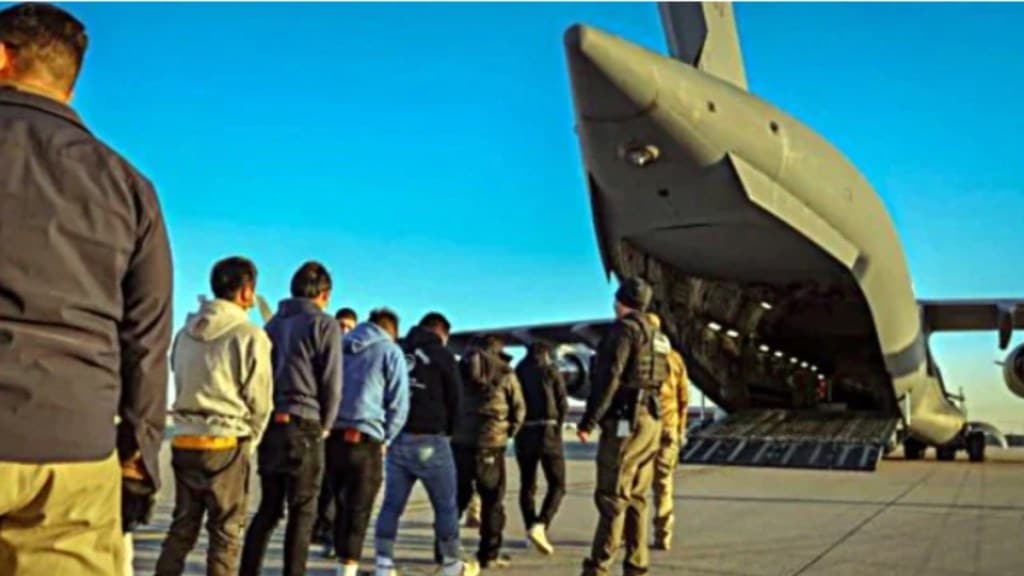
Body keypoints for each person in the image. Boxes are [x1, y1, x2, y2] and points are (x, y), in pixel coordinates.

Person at [0, 3, 172, 574]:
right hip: (74, 447)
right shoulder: (128, 186)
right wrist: (138, 459)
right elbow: (147, 336)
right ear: (70, 82)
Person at [155, 257, 273, 575]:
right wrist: (251, 440)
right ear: (246, 291)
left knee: (182, 529)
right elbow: (260, 400)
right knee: (225, 535)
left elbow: (177, 375)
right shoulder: (250, 335)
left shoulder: (184, 333)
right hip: (226, 441)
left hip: (185, 439)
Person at [240, 261, 343, 576]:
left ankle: (248, 571)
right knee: (303, 512)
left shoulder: (272, 326)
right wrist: (326, 426)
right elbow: (332, 382)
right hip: (305, 421)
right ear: (324, 294)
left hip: (273, 423)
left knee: (268, 510)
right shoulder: (324, 324)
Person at [373, 313, 479, 576]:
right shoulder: (443, 356)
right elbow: (456, 398)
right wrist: (451, 433)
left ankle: (383, 563)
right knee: (445, 506)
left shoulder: (396, 351)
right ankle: (451, 563)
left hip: (398, 439)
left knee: (391, 506)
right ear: (441, 333)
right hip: (432, 440)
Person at [577, 278, 668, 576]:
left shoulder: (624, 331)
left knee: (612, 495)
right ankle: (636, 565)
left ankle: (598, 567)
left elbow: (609, 377)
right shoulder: (658, 336)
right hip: (652, 419)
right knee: (637, 496)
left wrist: (589, 420)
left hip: (625, 421)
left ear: (621, 302)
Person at [330, 308, 410, 576]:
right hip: (366, 439)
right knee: (359, 510)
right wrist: (386, 436)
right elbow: (399, 404)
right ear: (392, 331)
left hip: (333, 439)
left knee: (339, 506)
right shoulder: (390, 351)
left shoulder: (338, 347)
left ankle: (340, 564)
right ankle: (347, 570)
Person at [453, 336, 525, 569]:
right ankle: (489, 554)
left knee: (456, 499)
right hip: (491, 445)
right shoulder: (505, 373)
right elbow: (519, 409)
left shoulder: (459, 370)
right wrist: (507, 432)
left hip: (461, 443)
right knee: (492, 501)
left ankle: (444, 550)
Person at [515, 341, 568, 556]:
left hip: (525, 432)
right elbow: (562, 403)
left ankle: (530, 525)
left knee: (528, 484)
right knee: (557, 484)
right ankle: (541, 523)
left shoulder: (519, 371)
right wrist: (558, 428)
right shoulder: (551, 371)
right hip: (548, 430)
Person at [314, 305, 360, 558]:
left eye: (349, 327)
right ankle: (322, 526)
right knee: (323, 483)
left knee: (340, 488)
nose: (344, 331)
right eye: (340, 326)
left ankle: (332, 533)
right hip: (324, 427)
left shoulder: (359, 356)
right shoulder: (324, 351)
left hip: (345, 428)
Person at [647, 313, 688, 551]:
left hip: (644, 427)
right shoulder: (675, 359)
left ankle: (626, 532)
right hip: (669, 427)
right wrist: (681, 429)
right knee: (663, 484)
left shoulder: (641, 355)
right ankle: (663, 534)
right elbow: (684, 398)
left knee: (632, 483)